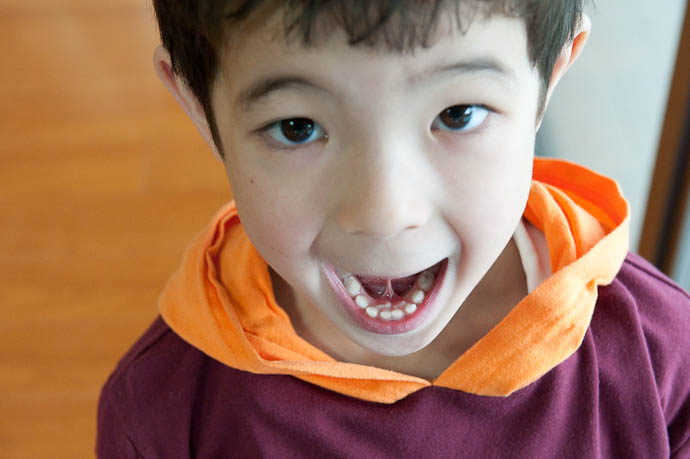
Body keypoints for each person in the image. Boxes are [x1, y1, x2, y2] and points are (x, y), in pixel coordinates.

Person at [96, 1, 690, 457]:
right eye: (298, 127)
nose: (384, 212)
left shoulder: (663, 362)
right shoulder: (161, 416)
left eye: (457, 115)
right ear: (200, 108)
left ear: (547, 82)